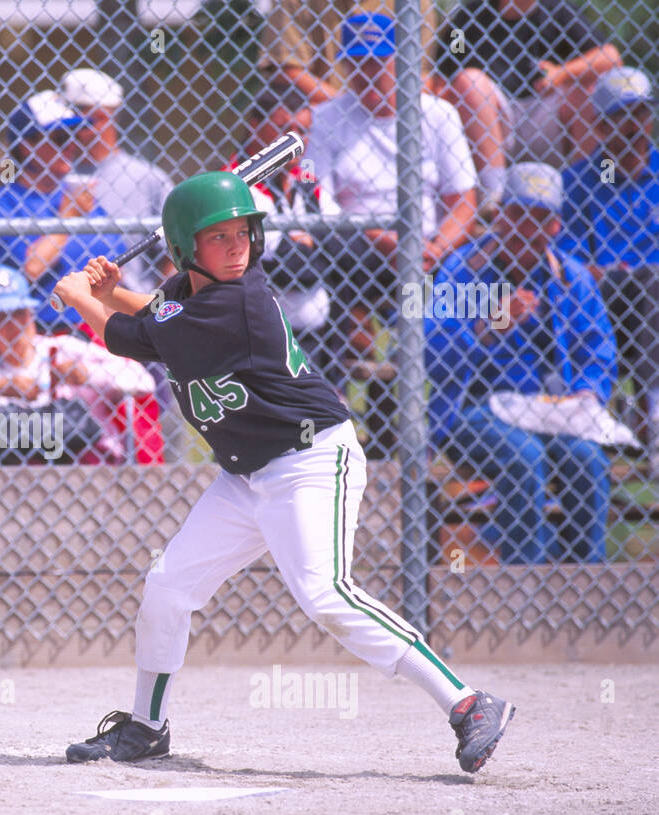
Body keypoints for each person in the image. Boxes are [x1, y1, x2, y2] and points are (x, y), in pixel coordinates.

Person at [51, 169, 515, 773]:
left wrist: (78, 293)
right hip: (245, 476)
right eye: (218, 237)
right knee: (168, 586)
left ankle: (469, 703)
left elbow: (126, 337)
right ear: (185, 249)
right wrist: (111, 289)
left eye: (244, 233)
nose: (238, 246)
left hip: (311, 460)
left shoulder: (238, 302)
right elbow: (151, 315)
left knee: (326, 594)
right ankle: (146, 727)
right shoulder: (189, 297)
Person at [426, 163, 617, 564]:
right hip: (473, 408)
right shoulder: (462, 270)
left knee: (588, 461)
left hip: (550, 408)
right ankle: (523, 582)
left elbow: (597, 350)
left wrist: (586, 394)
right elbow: (429, 352)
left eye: (540, 218)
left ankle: (588, 578)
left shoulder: (570, 275)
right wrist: (489, 327)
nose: (526, 228)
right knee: (524, 456)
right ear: (499, 216)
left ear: (555, 227)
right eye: (518, 214)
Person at [307, 11, 478, 456]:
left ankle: (427, 424)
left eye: (378, 60)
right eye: (357, 62)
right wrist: (385, 238)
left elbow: (464, 200)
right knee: (320, 252)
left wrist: (436, 245)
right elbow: (319, 199)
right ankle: (332, 402)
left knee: (469, 280)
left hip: (429, 249)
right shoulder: (327, 116)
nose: (367, 73)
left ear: (402, 60)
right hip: (358, 245)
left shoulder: (437, 113)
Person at [0, 267, 154, 464]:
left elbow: (143, 381)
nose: (15, 324)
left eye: (20, 313)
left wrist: (87, 375)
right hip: (2, 471)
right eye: (0, 317)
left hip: (81, 465)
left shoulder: (63, 348)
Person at [560, 67, 659, 470]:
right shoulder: (580, 181)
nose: (636, 125)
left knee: (652, 284)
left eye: (641, 113)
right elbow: (567, 260)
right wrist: (593, 271)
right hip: (602, 298)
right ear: (601, 127)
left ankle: (651, 415)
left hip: (653, 298)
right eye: (622, 116)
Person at [432, 0, 622, 208]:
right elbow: (443, 73)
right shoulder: (470, 16)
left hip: (548, 118)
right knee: (470, 81)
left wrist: (561, 73)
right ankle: (493, 197)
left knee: (584, 88)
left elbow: (610, 57)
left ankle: (578, 193)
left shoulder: (557, 10)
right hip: (493, 124)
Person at [0, 91, 125, 333]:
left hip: (102, 328)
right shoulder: (2, 203)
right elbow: (31, 269)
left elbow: (117, 258)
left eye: (74, 137)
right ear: (27, 147)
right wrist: (67, 219)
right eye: (59, 138)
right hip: (45, 331)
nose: (70, 146)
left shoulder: (78, 196)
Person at [228, 82, 344, 382]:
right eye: (283, 128)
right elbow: (287, 268)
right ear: (254, 127)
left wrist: (304, 247)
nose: (295, 140)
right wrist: (309, 246)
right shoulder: (237, 185)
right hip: (262, 340)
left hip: (316, 337)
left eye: (303, 131)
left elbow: (345, 249)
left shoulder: (303, 179)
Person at [58, 68, 175, 294]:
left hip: (126, 309)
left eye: (73, 117)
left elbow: (173, 254)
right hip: (60, 307)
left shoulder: (146, 178)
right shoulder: (51, 176)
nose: (62, 125)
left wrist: (150, 306)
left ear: (101, 118)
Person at [260, 0, 439, 106]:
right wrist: (347, 109)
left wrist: (383, 111)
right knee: (290, 117)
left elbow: (422, 76)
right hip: (321, 111)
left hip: (393, 111)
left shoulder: (414, 4)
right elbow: (286, 69)